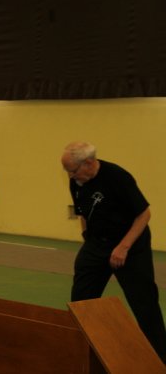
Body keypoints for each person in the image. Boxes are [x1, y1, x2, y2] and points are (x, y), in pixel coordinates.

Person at [61, 141, 166, 362]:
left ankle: (160, 358)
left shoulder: (118, 177)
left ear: (88, 162)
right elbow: (83, 213)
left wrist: (123, 247)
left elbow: (144, 215)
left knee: (144, 302)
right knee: (81, 300)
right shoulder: (77, 181)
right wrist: (88, 239)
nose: (70, 176)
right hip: (98, 243)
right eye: (67, 171)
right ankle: (81, 352)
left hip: (130, 244)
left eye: (73, 170)